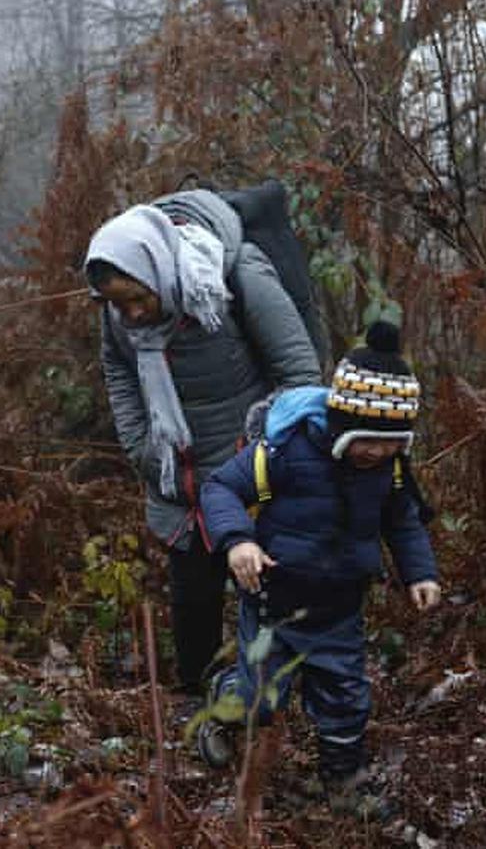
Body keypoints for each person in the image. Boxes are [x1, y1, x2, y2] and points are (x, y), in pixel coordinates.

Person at [83, 190, 322, 701]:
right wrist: (142, 448)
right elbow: (118, 371)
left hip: (250, 476)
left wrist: (256, 457)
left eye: (136, 299)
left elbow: (300, 378)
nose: (129, 315)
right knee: (192, 602)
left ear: (160, 271)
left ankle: (270, 710)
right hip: (178, 481)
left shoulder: (235, 277)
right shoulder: (120, 311)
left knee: (263, 597)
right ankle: (195, 709)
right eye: (116, 304)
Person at [197, 321, 440, 816]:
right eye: (366, 439)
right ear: (341, 425)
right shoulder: (287, 451)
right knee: (258, 699)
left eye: (391, 442)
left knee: (345, 701)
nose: (377, 451)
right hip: (273, 601)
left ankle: (343, 782)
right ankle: (224, 706)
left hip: (338, 609)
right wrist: (238, 541)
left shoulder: (389, 471)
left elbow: (404, 521)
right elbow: (220, 489)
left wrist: (420, 572)